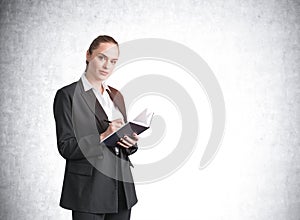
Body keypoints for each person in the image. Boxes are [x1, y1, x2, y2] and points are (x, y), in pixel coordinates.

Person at [53, 35, 139, 220]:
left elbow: (122, 145)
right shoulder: (67, 95)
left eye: (113, 61)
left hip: (122, 189)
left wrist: (130, 141)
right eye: (102, 57)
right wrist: (103, 135)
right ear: (88, 55)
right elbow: (66, 147)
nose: (107, 66)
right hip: (89, 190)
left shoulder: (116, 96)